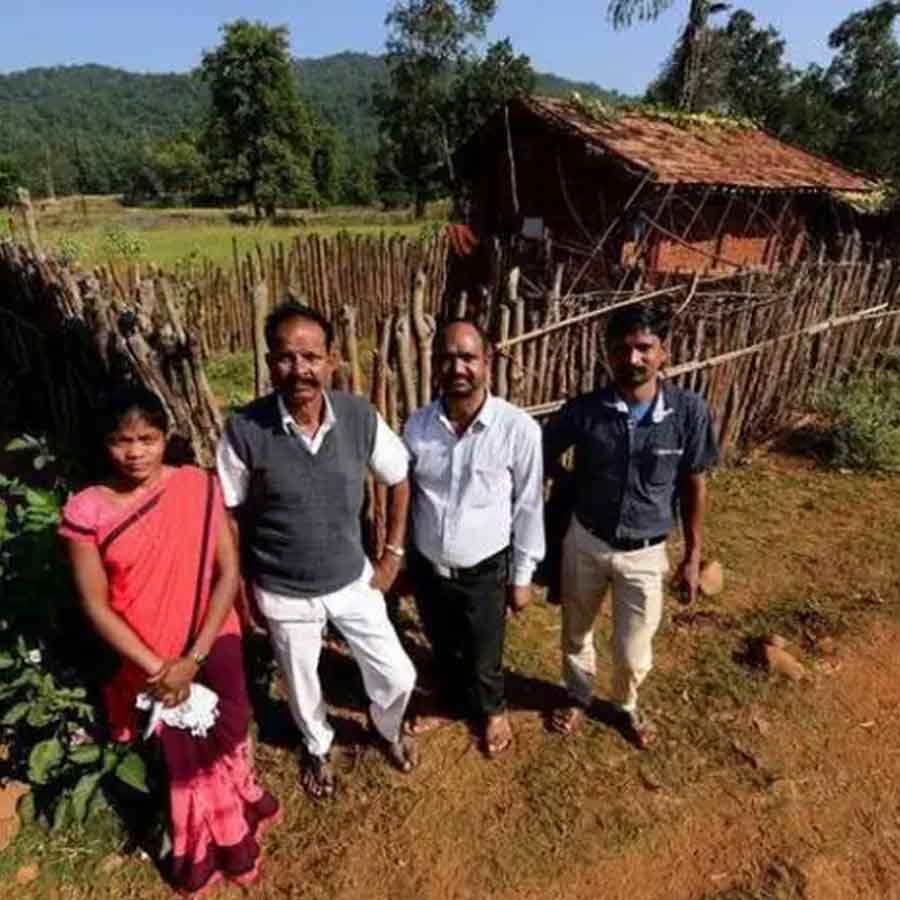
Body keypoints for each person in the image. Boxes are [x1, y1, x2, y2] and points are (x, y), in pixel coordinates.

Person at [59, 386, 279, 895]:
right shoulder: (87, 510)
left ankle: (240, 821)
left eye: (147, 438)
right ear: (105, 443)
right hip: (144, 655)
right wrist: (161, 667)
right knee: (186, 765)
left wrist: (196, 654)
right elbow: (96, 604)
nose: (135, 451)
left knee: (228, 732)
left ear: (165, 439)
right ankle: (206, 851)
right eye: (121, 440)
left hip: (212, 635)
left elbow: (228, 573)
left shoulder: (198, 488)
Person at [216, 302, 417, 798]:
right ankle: (317, 745)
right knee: (302, 683)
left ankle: (387, 728)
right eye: (286, 357)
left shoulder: (358, 416)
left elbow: (399, 476)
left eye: (311, 357)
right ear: (269, 364)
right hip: (283, 588)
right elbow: (229, 512)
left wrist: (392, 552)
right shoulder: (245, 431)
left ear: (331, 361)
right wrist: (242, 585)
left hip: (352, 578)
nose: (299, 370)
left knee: (398, 673)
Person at [543, 303, 718, 748]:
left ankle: (625, 705)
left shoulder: (688, 413)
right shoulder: (584, 411)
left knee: (633, 649)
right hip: (586, 540)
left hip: (645, 551)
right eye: (622, 349)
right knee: (576, 631)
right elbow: (541, 456)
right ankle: (578, 695)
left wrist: (693, 554)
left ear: (664, 353)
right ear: (608, 355)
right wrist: (572, 486)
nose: (633, 358)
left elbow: (695, 482)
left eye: (645, 348)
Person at [404, 319, 545, 757]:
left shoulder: (517, 429)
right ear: (435, 365)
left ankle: (493, 709)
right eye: (447, 358)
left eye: (467, 357)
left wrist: (522, 574)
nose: (457, 367)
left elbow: (527, 504)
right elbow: (408, 498)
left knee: (485, 648)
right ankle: (447, 701)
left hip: (485, 566)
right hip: (430, 564)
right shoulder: (418, 427)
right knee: (441, 642)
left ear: (487, 361)